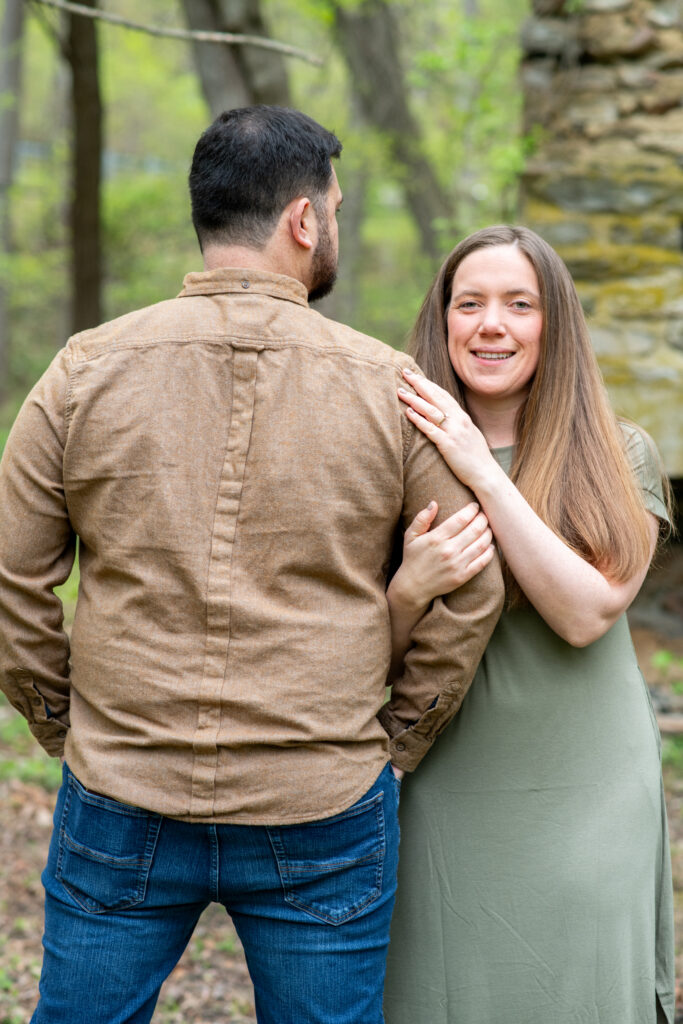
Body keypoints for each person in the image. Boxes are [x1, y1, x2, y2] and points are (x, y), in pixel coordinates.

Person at [0, 107, 504, 1024]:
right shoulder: (390, 388)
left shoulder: (81, 373)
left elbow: (13, 580)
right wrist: (396, 741)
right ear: (303, 220)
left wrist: (64, 728)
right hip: (324, 799)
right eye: (337, 208)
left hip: (121, 785)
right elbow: (474, 582)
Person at [382, 225, 676, 1024]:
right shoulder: (394, 454)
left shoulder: (619, 455)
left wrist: (479, 467)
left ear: (556, 324)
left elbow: (586, 611)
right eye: (468, 303)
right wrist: (410, 589)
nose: (491, 325)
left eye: (520, 304)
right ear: (442, 321)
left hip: (587, 786)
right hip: (446, 779)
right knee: (441, 985)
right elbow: (357, 646)